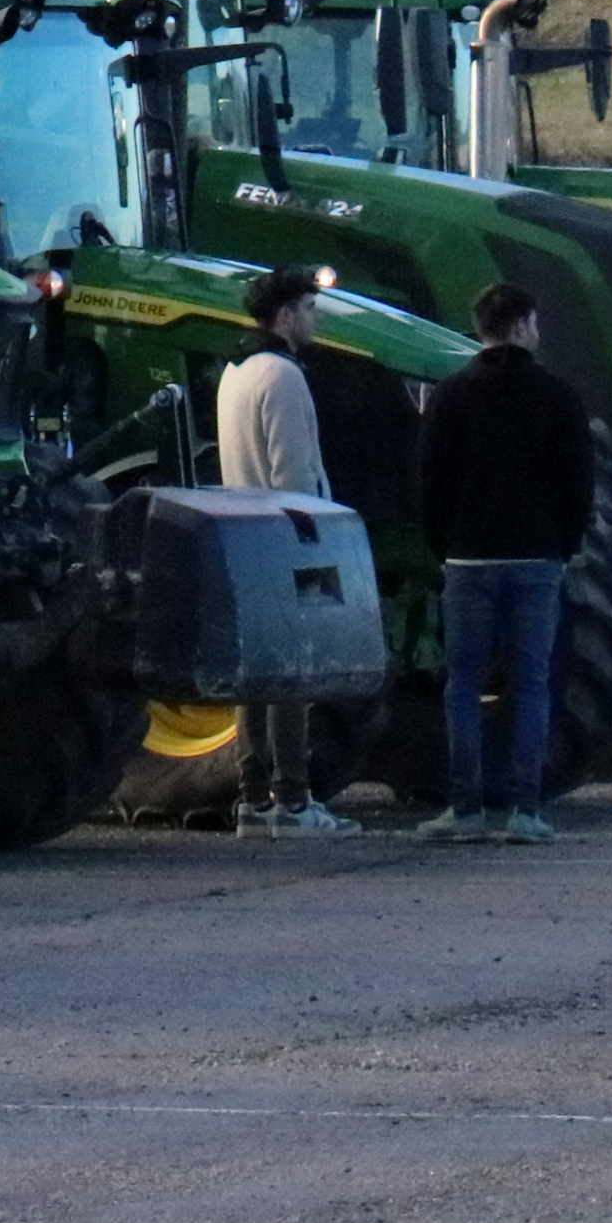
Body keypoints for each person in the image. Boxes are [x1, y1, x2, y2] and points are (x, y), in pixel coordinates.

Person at [408, 282, 597, 846]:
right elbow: (579, 483)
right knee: (532, 685)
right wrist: (563, 543)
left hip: (467, 558)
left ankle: (464, 807)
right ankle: (525, 809)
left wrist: (444, 545)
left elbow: (427, 482)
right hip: (537, 558)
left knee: (462, 685)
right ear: (520, 326)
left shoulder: (450, 395)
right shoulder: (557, 395)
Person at [216, 268, 353, 837]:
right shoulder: (285, 376)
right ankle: (294, 801)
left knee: (255, 677)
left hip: (243, 534)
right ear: (287, 314)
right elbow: (295, 474)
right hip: (287, 538)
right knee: (294, 677)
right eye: (310, 308)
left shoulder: (235, 371)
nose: (315, 319)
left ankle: (251, 797)